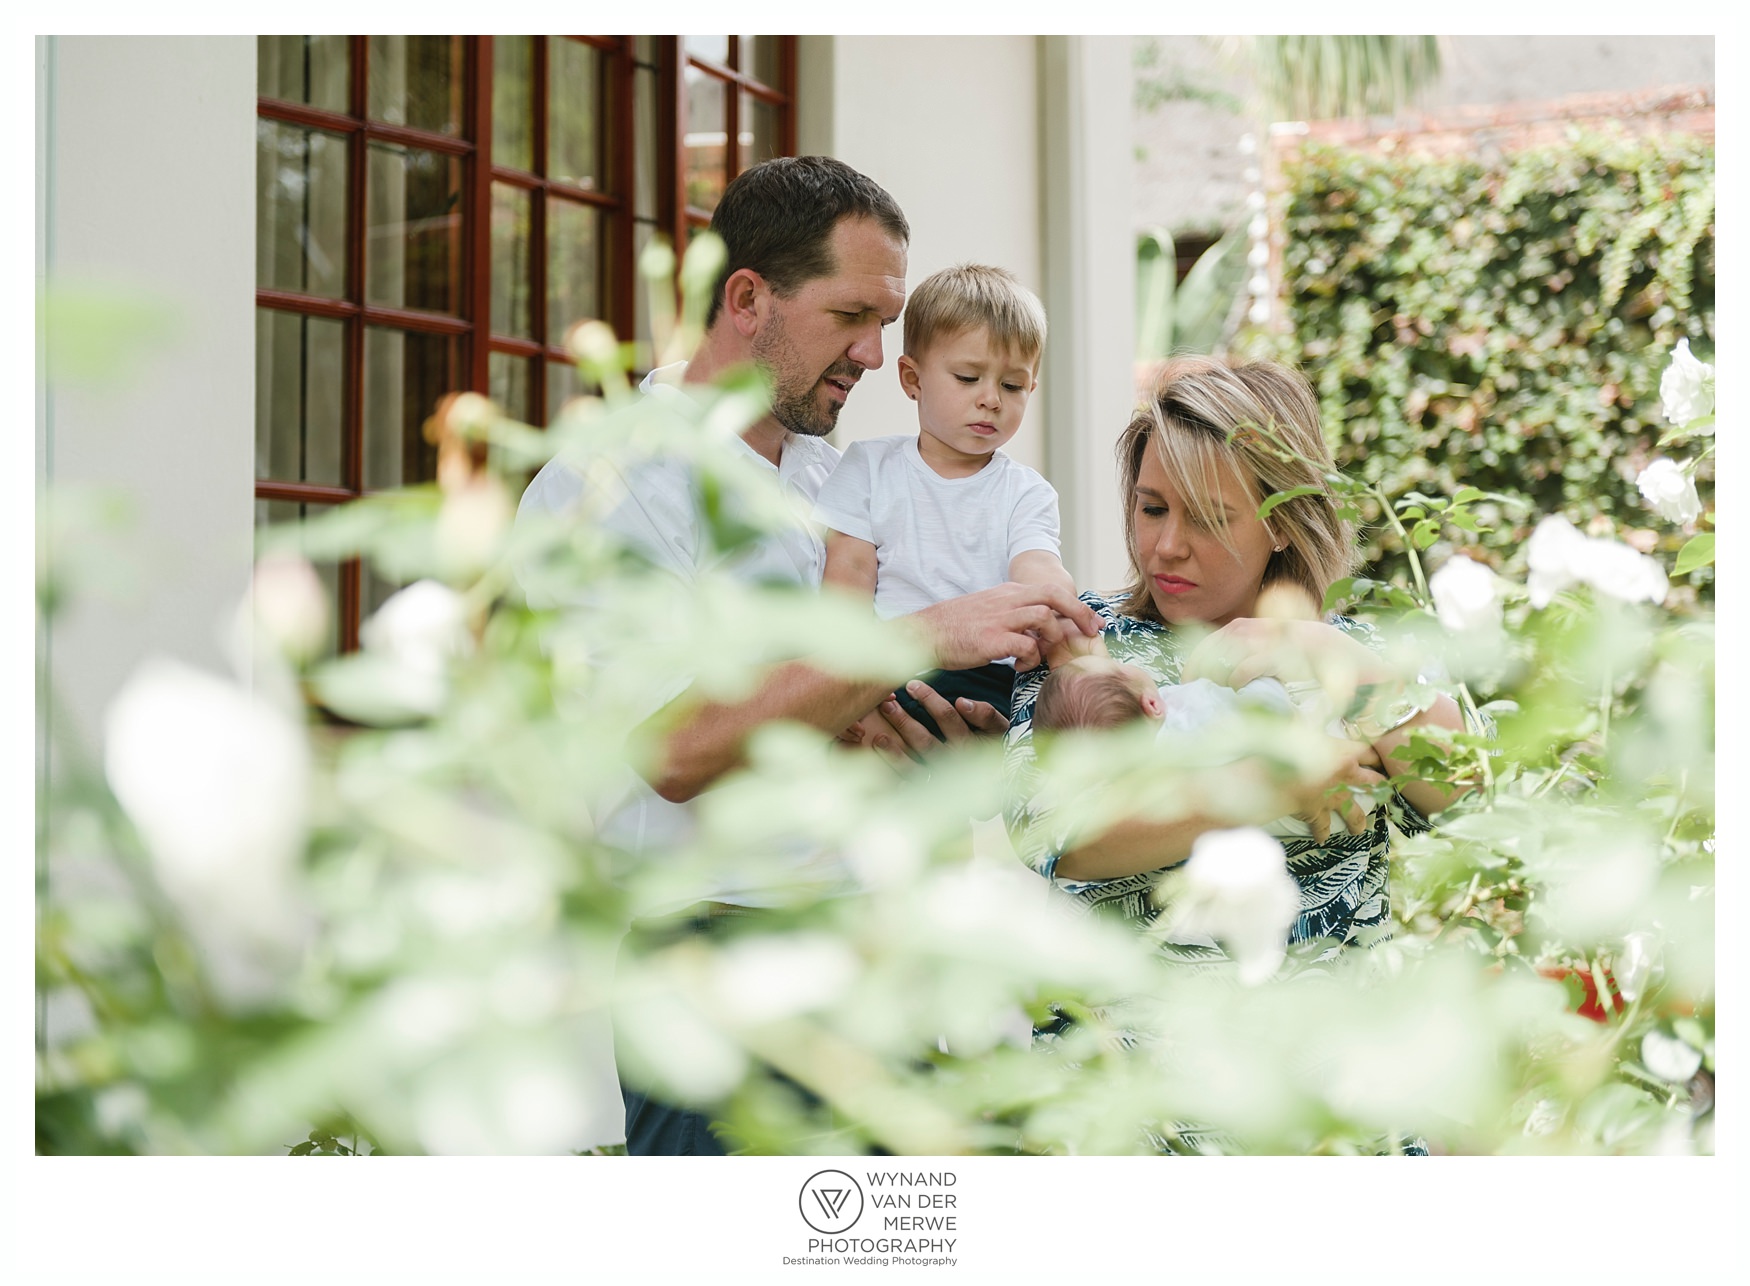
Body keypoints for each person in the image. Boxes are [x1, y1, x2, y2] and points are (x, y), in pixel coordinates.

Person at [514, 155, 1103, 1155]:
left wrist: (935, 739)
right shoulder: (617, 483)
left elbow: (855, 709)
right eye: (851, 317)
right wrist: (919, 638)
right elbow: (675, 749)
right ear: (748, 298)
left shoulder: (845, 479)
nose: (878, 355)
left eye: (888, 321)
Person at [997, 354, 1473, 1151]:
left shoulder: (1362, 652)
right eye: (1151, 508)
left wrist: (1323, 654)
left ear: (1282, 519)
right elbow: (1056, 836)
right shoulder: (1087, 639)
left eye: (1208, 518)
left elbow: (1471, 798)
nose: (1167, 546)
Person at [812, 263, 1075, 740]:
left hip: (989, 681)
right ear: (912, 379)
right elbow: (847, 578)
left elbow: (1036, 563)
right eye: (968, 377)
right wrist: (842, 680)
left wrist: (1057, 602)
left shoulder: (1026, 492)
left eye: (1013, 385)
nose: (991, 399)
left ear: (1031, 388)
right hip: (887, 673)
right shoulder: (868, 467)